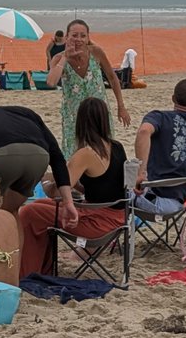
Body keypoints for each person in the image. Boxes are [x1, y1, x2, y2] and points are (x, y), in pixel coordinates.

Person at [18, 97, 128, 278]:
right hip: (118, 216)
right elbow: (104, 188)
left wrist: (44, 181)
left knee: (29, 212)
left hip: (98, 221)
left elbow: (56, 192)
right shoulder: (117, 146)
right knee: (42, 207)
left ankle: (30, 269)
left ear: (80, 122)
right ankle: (43, 265)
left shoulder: (85, 154)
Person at [0, 105, 79, 231]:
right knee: (12, 213)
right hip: (38, 157)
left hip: (0, 155)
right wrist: (68, 202)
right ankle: (17, 253)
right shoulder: (32, 117)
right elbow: (57, 159)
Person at [46, 19, 131, 156]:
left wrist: (121, 106)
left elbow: (112, 77)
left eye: (83, 35)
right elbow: (51, 82)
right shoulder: (58, 58)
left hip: (99, 113)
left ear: (88, 38)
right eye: (74, 35)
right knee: (75, 153)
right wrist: (65, 57)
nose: (78, 39)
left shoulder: (96, 52)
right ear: (67, 37)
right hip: (74, 115)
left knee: (103, 151)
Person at [134, 79, 186, 215]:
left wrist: (141, 173)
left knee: (113, 190)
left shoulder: (159, 117)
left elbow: (143, 132)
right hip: (174, 205)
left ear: (173, 98)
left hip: (147, 198)